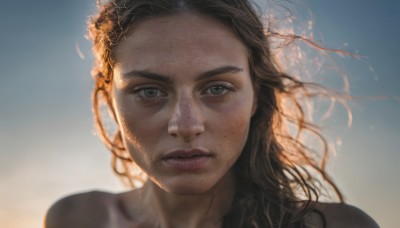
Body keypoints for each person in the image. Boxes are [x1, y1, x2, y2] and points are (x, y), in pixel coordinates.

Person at [45, 0, 379, 227]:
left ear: (256, 97)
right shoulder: (77, 218)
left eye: (217, 88)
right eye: (149, 91)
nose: (186, 125)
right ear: (109, 101)